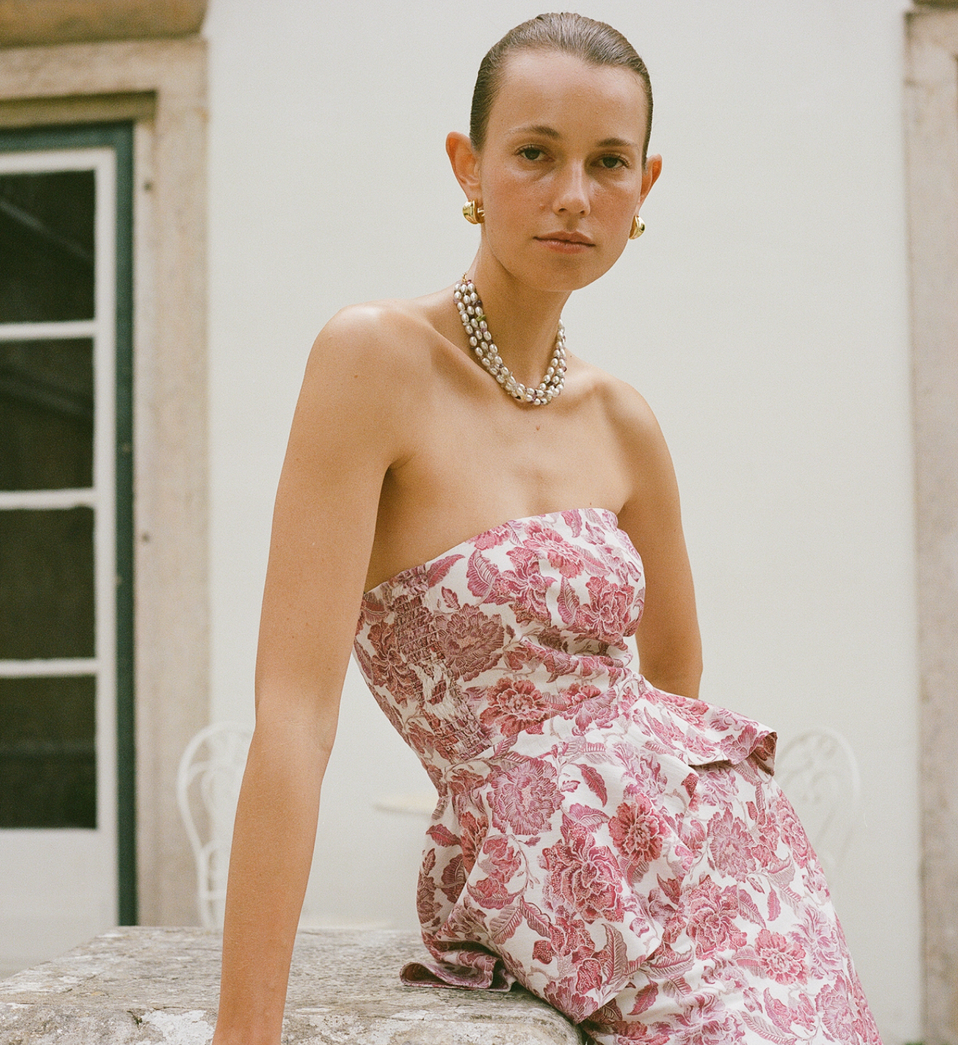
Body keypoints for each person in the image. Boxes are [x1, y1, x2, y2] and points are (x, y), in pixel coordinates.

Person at [213, 13, 881, 1044]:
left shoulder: (623, 421)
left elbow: (674, 678)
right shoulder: (372, 360)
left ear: (644, 188)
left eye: (608, 162)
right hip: (539, 870)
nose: (574, 194)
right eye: (535, 153)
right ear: (468, 165)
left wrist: (643, 827)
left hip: (721, 862)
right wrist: (243, 1030)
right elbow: (295, 718)